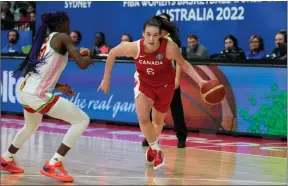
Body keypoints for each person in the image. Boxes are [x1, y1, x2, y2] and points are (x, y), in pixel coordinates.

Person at [98, 16, 206, 170]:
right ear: (143, 33)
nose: (151, 38)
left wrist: (201, 82)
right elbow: (113, 53)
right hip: (144, 83)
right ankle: (156, 149)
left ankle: (152, 147)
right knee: (142, 117)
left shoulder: (170, 46)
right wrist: (106, 79)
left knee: (157, 121)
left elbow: (184, 64)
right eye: (148, 34)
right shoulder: (135, 47)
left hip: (165, 86)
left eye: (155, 35)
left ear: (161, 35)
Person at [0, 12, 94, 182]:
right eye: (67, 23)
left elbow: (42, 69)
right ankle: (54, 164)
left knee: (31, 126)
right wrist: (89, 58)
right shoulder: (63, 37)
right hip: (37, 94)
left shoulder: (48, 39)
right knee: (82, 120)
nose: (69, 26)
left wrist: (59, 86)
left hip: (25, 90)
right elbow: (81, 63)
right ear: (60, 25)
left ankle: (6, 158)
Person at [141, 13, 187, 148]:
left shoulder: (173, 41)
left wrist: (177, 78)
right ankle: (150, 138)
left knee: (176, 109)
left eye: (163, 21)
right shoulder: (152, 38)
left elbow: (179, 62)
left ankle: (181, 137)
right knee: (150, 109)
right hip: (154, 80)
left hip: (170, 79)